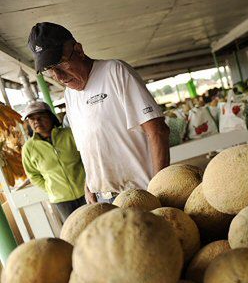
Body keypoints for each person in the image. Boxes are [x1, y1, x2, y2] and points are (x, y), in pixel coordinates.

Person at [28, 22, 170, 204]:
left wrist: (158, 190)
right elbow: (89, 146)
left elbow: (157, 131)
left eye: (61, 63)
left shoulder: (115, 71)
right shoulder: (70, 95)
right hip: (103, 199)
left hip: (141, 193)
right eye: (50, 70)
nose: (59, 77)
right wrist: (89, 184)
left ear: (78, 50)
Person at [21, 101, 86, 222]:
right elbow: (33, 175)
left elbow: (86, 157)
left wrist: (88, 181)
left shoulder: (69, 134)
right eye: (32, 119)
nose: (36, 121)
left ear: (51, 117)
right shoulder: (28, 148)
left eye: (41, 117)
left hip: (87, 190)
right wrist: (51, 188)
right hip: (61, 200)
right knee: (75, 232)